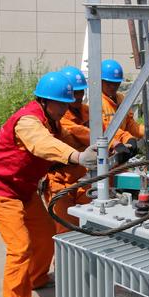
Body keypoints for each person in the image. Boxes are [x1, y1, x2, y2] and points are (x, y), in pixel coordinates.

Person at [0, 72, 98, 297]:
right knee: (20, 247)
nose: (65, 108)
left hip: (23, 188)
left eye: (68, 103)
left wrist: (106, 147)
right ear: (44, 100)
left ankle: (37, 278)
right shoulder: (29, 121)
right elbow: (43, 145)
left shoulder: (53, 122)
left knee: (44, 234)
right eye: (61, 103)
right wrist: (76, 157)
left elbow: (69, 138)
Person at [41, 66, 93, 234]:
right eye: (74, 93)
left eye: (81, 92)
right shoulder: (61, 119)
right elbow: (89, 134)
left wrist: (123, 139)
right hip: (59, 181)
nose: (78, 96)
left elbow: (106, 128)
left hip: (82, 178)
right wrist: (112, 142)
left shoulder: (86, 111)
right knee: (65, 231)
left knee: (87, 226)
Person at [101, 59, 149, 152]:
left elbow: (129, 123)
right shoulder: (97, 104)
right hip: (106, 152)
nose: (113, 87)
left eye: (116, 83)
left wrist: (145, 130)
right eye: (109, 83)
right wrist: (127, 138)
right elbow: (105, 130)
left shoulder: (121, 99)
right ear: (100, 81)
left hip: (121, 149)